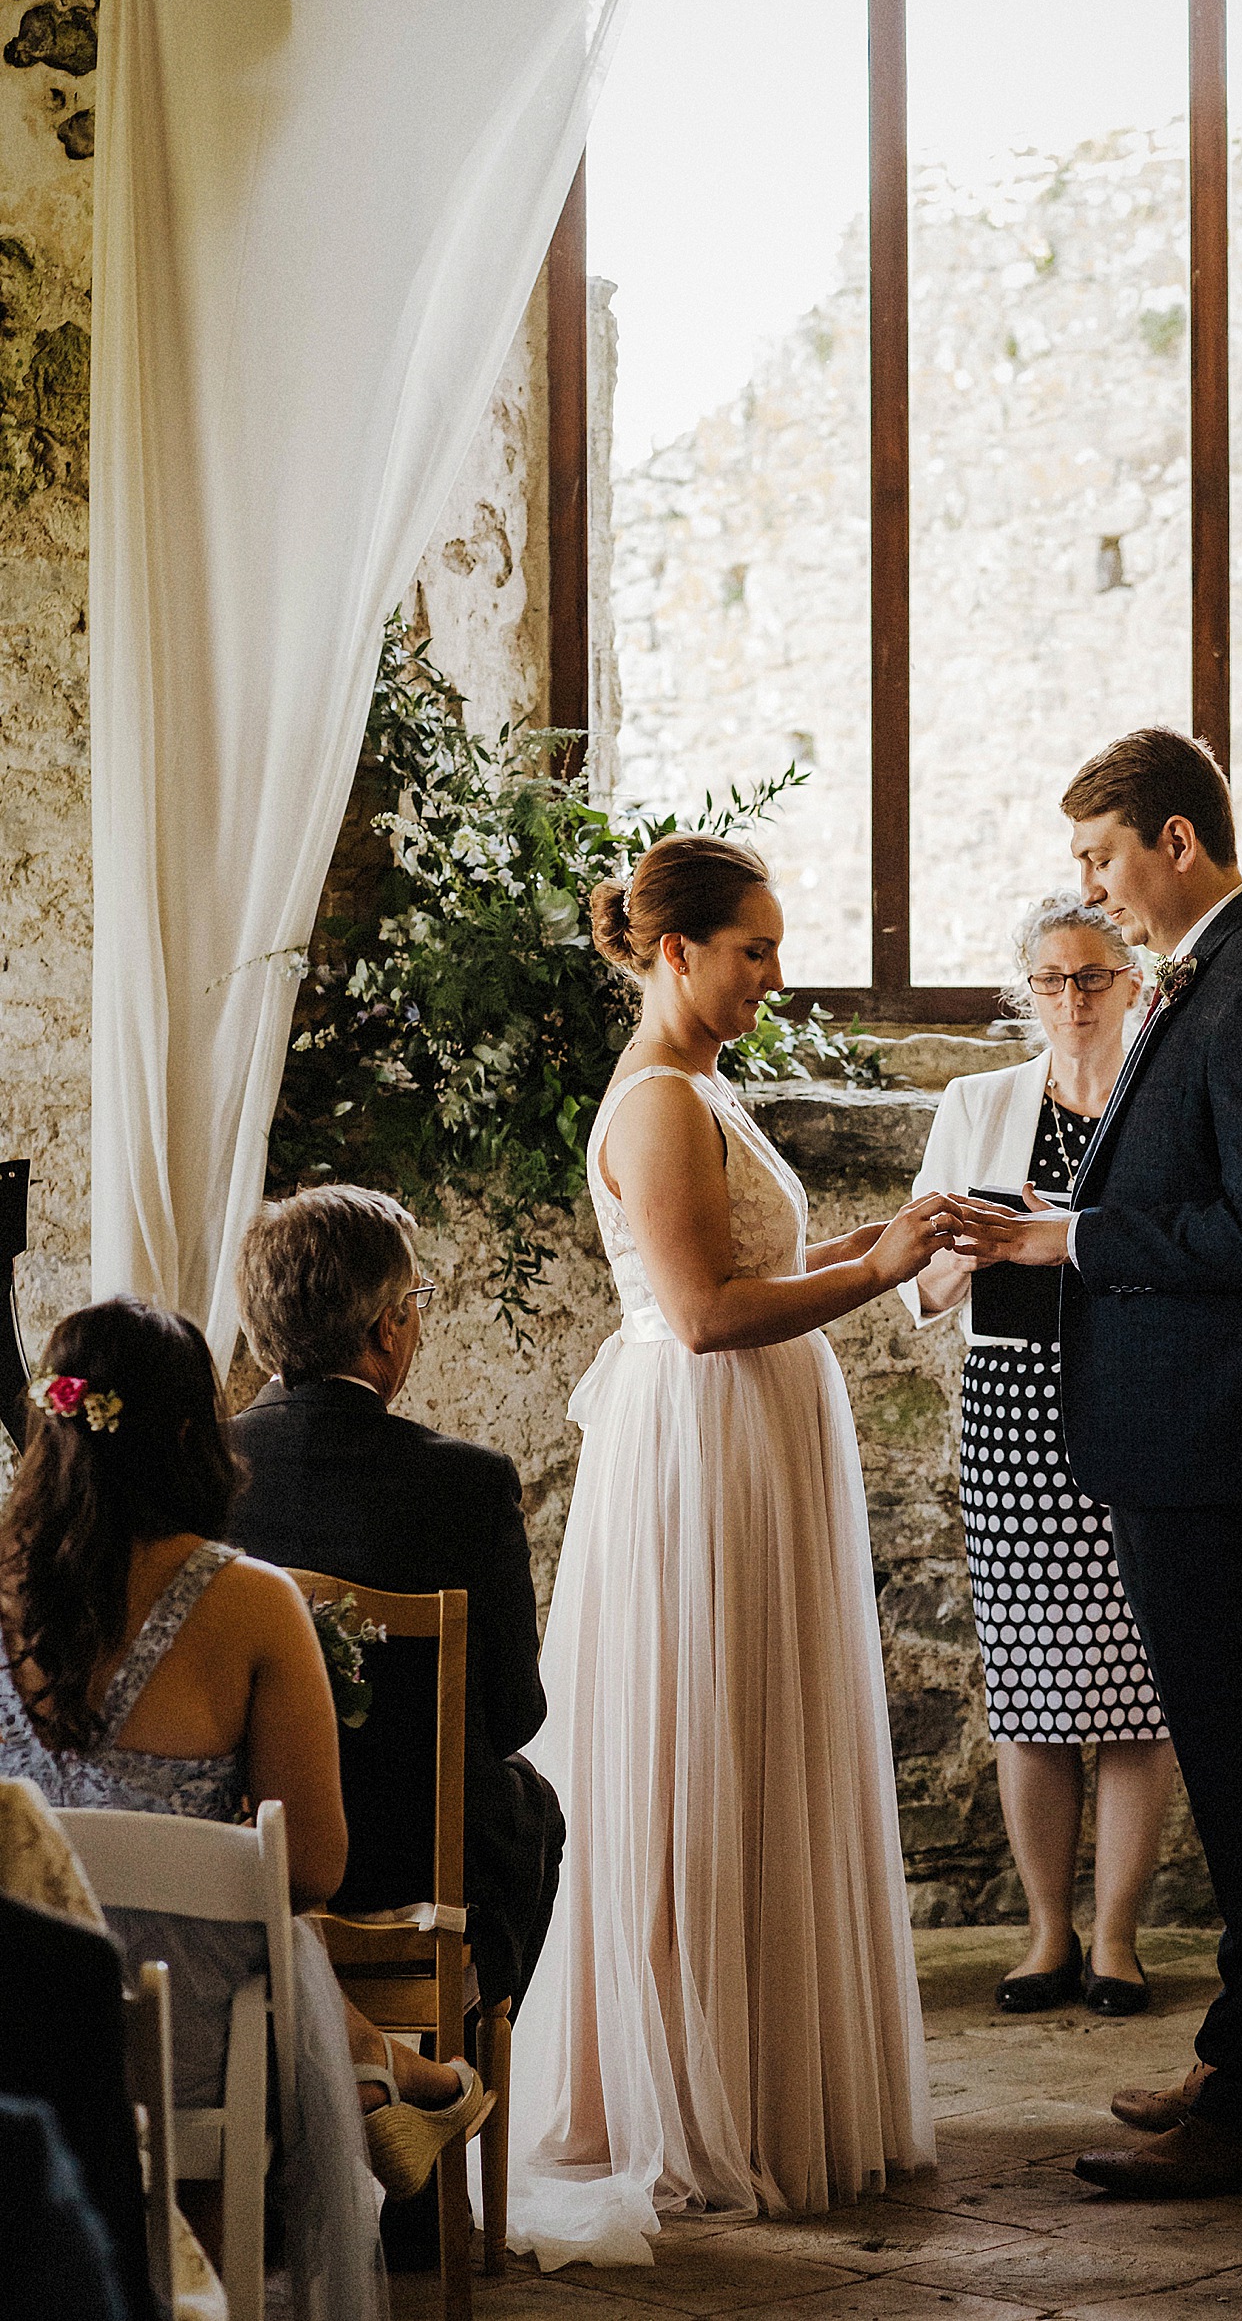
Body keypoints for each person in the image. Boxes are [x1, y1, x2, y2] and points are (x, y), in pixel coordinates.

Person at [504, 832, 946, 2267]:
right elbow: (698, 1312)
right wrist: (870, 1273)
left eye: (774, 942)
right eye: (750, 947)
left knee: (763, 1739)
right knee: (702, 1744)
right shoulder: (652, 1102)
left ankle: (760, 2063)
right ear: (674, 949)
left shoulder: (704, 1083)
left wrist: (895, 1232)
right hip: (698, 1445)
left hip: (751, 1441)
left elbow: (755, 1265)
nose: (772, 970)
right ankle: (682, 2087)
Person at [948, 727, 1242, 2200]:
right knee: (1239, 1751)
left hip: (1216, 1438)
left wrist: (1072, 1235)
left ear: (1175, 841)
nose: (1094, 887)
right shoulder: (1231, 970)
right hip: (1195, 1431)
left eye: (1102, 856)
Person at [0, 1297, 489, 2279]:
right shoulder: (254, 1601)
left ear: (55, 1423)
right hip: (182, 2038)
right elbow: (312, 1864)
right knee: (274, 1939)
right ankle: (369, 2086)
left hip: (16, 2009)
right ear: (190, 1435)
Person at [903, 895, 1176, 2015]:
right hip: (1011, 1405)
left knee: (1134, 1688)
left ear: (1133, 987)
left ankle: (1114, 1939)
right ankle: (1044, 1932)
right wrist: (972, 1248)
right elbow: (913, 1286)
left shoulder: (1164, 1101)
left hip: (1141, 1396)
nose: (1072, 1000)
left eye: (1094, 978)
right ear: (1027, 992)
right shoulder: (978, 1102)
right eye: (1052, 981)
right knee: (1028, 1686)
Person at [230, 1183, 564, 2030]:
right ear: (387, 1327)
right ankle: (453, 2066)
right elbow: (515, 1715)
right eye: (415, 1300)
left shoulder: (199, 1472)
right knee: (534, 1804)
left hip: (249, 1863)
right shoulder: (468, 1483)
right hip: (417, 1870)